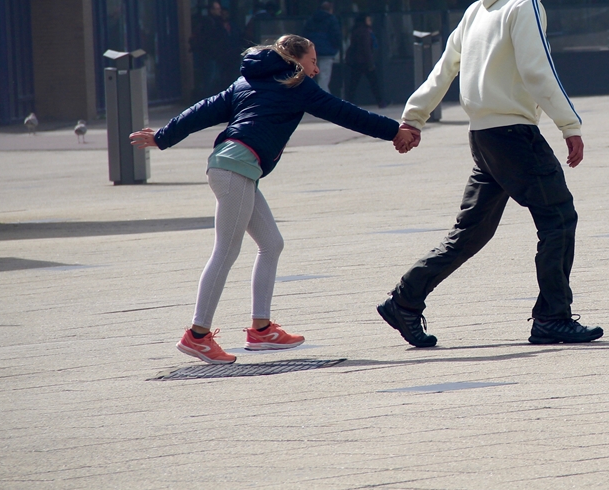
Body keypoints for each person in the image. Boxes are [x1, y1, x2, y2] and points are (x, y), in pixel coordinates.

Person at [129, 34, 413, 364]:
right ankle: (197, 336)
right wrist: (396, 131)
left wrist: (165, 136)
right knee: (226, 250)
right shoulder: (296, 84)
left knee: (271, 243)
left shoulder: (246, 81)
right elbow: (346, 113)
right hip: (236, 168)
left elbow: (201, 110)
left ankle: (261, 330)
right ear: (295, 60)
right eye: (312, 61)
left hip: (233, 166)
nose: (317, 69)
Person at [377, 0, 601, 348]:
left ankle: (404, 301)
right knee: (559, 219)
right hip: (515, 134)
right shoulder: (525, 2)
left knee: (471, 232)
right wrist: (569, 125)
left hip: (483, 135)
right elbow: (538, 70)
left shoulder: (478, 8)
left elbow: (444, 68)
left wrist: (413, 116)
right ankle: (553, 317)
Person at [302, 1, 342, 94]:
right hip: (327, 53)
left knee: (313, 76)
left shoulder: (311, 20)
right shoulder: (332, 19)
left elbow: (305, 36)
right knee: (324, 77)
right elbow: (336, 36)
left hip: (312, 52)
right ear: (330, 10)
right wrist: (335, 48)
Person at [346, 15, 386, 108]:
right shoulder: (365, 32)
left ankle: (348, 102)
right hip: (365, 62)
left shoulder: (355, 31)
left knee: (353, 84)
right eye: (368, 19)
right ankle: (380, 101)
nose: (370, 21)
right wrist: (370, 63)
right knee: (374, 83)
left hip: (356, 61)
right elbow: (366, 48)